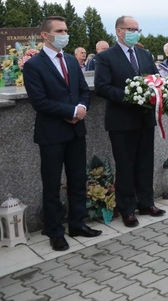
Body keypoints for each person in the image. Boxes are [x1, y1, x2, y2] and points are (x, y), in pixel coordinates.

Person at [23, 16, 101, 251]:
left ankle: (77, 224)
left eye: (66, 30)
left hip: (76, 131)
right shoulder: (34, 65)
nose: (64, 34)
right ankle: (55, 231)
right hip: (52, 134)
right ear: (45, 36)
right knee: (52, 184)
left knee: (78, 179)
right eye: (59, 30)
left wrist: (82, 108)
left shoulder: (70, 60)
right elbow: (39, 101)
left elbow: (83, 91)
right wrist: (70, 111)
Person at [94, 15, 165, 228]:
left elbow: (155, 80)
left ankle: (146, 203)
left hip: (145, 119)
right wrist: (131, 96)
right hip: (121, 120)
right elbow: (102, 87)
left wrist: (156, 93)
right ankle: (126, 209)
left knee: (145, 162)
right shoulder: (106, 57)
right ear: (118, 31)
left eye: (137, 29)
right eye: (130, 28)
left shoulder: (145, 54)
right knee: (125, 165)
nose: (134, 32)